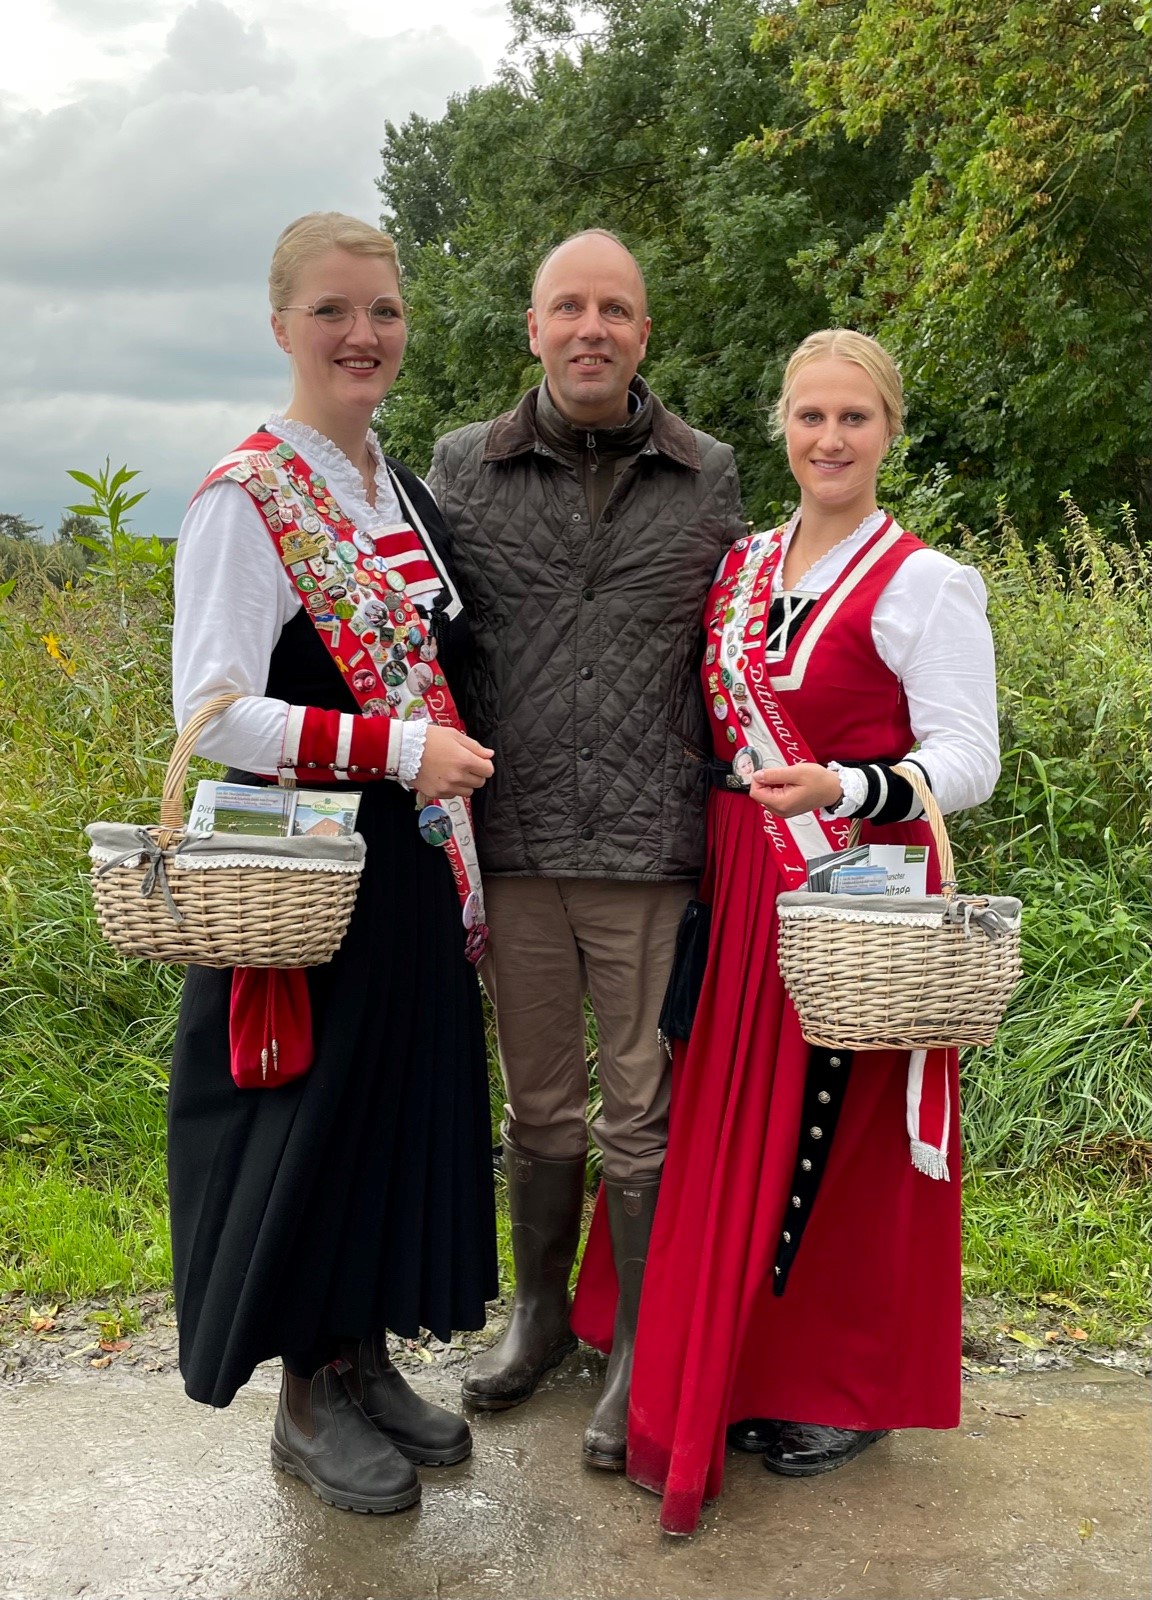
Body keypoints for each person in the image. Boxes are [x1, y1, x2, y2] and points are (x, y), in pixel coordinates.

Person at [571, 329, 1000, 1533]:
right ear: (783, 425)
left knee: (841, 1136)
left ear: (889, 431)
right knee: (720, 1112)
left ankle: (840, 1385)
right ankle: (722, 1352)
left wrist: (848, 786)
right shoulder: (744, 563)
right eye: (811, 416)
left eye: (854, 418)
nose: (830, 438)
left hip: (854, 888)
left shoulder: (925, 582)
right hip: (739, 877)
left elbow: (970, 759)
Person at [169, 212, 498, 1516]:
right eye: (332, 312)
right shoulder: (245, 497)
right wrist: (399, 747)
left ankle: (363, 1360)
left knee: (387, 1114)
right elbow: (211, 715)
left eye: (384, 311)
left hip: (407, 865)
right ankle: (305, 1398)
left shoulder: (396, 490)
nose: (363, 335)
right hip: (306, 875)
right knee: (308, 1125)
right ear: (281, 327)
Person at [428, 229, 746, 1468]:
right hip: (512, 840)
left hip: (650, 846)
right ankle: (541, 1317)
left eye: (615, 309)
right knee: (540, 1100)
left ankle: (638, 1348)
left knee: (642, 1109)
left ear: (644, 333)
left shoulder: (708, 474)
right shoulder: (462, 465)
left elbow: (741, 651)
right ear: (534, 327)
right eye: (569, 306)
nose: (591, 328)